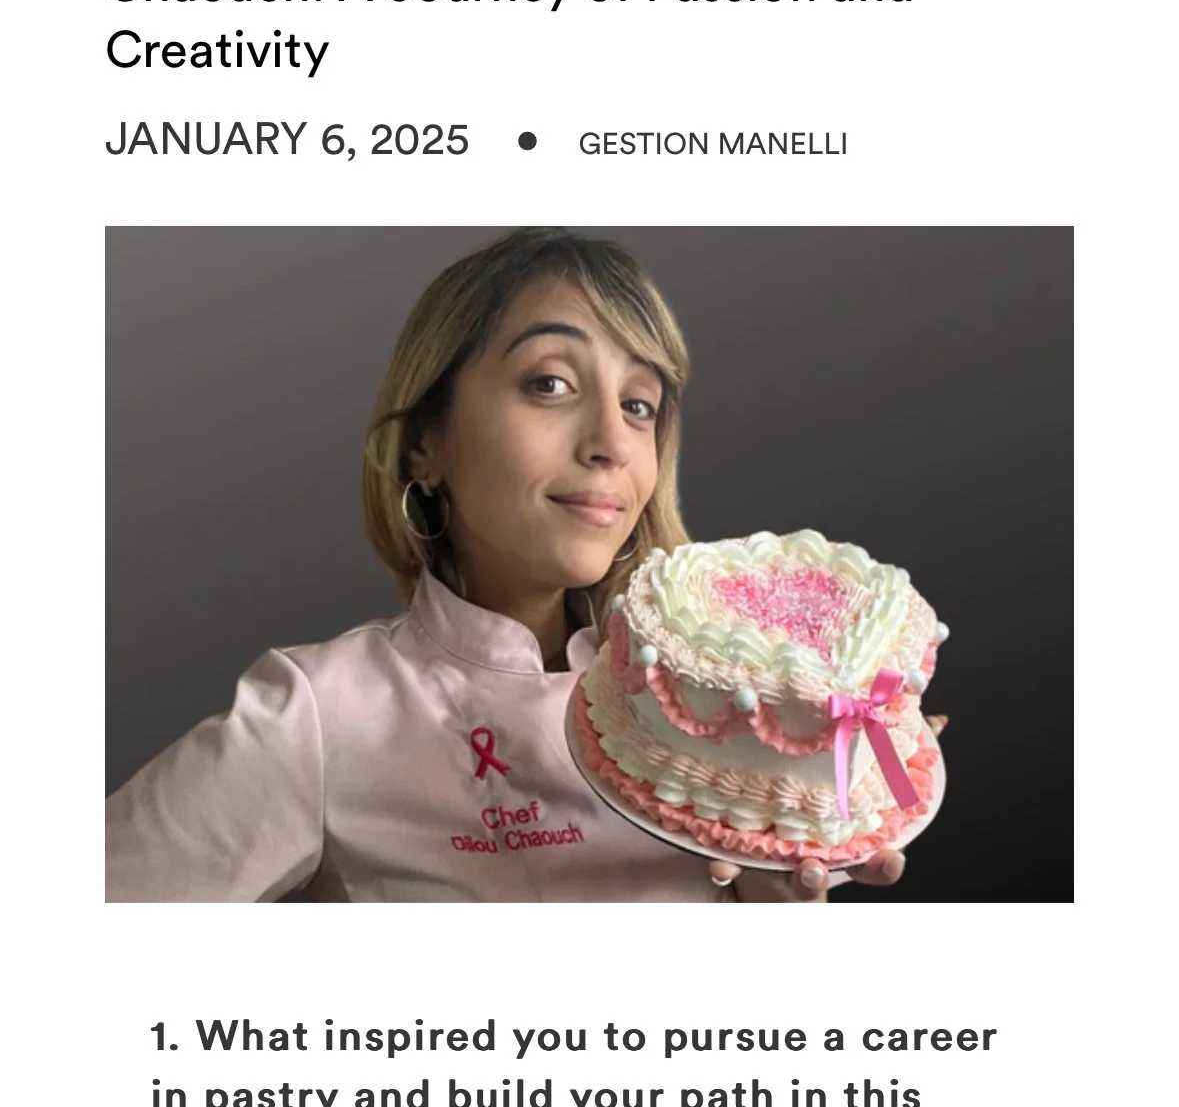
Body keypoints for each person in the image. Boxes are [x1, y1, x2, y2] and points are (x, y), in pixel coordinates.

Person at [106, 228, 918, 903]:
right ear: (426, 443)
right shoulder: (322, 714)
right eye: (550, 383)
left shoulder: (712, 697)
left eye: (639, 405)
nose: (610, 440)